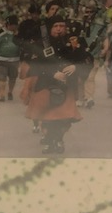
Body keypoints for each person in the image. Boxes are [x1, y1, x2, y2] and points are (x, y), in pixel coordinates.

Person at [24, 16, 89, 154]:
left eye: (62, 26)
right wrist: (52, 73)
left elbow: (86, 60)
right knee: (47, 118)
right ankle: (49, 141)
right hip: (46, 85)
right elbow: (34, 65)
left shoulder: (73, 42)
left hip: (66, 86)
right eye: (55, 26)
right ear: (50, 28)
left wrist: (75, 67)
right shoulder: (42, 44)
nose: (59, 29)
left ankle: (59, 139)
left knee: (65, 118)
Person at [0, 14, 20, 101]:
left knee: (13, 77)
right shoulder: (1, 35)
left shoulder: (19, 36)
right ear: (7, 25)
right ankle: (2, 94)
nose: (13, 26)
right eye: (11, 24)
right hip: (2, 60)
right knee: (2, 78)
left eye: (14, 24)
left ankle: (10, 92)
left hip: (15, 60)